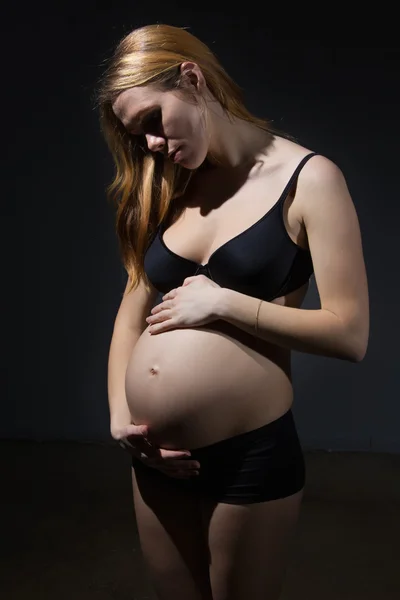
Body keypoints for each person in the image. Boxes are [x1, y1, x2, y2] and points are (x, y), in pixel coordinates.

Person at [96, 23, 369, 600]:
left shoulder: (310, 180)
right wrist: (122, 415)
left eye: (152, 121)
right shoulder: (169, 186)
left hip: (249, 453)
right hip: (157, 456)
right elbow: (129, 315)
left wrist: (223, 301)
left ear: (192, 80)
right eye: (135, 133)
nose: (148, 145)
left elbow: (349, 333)